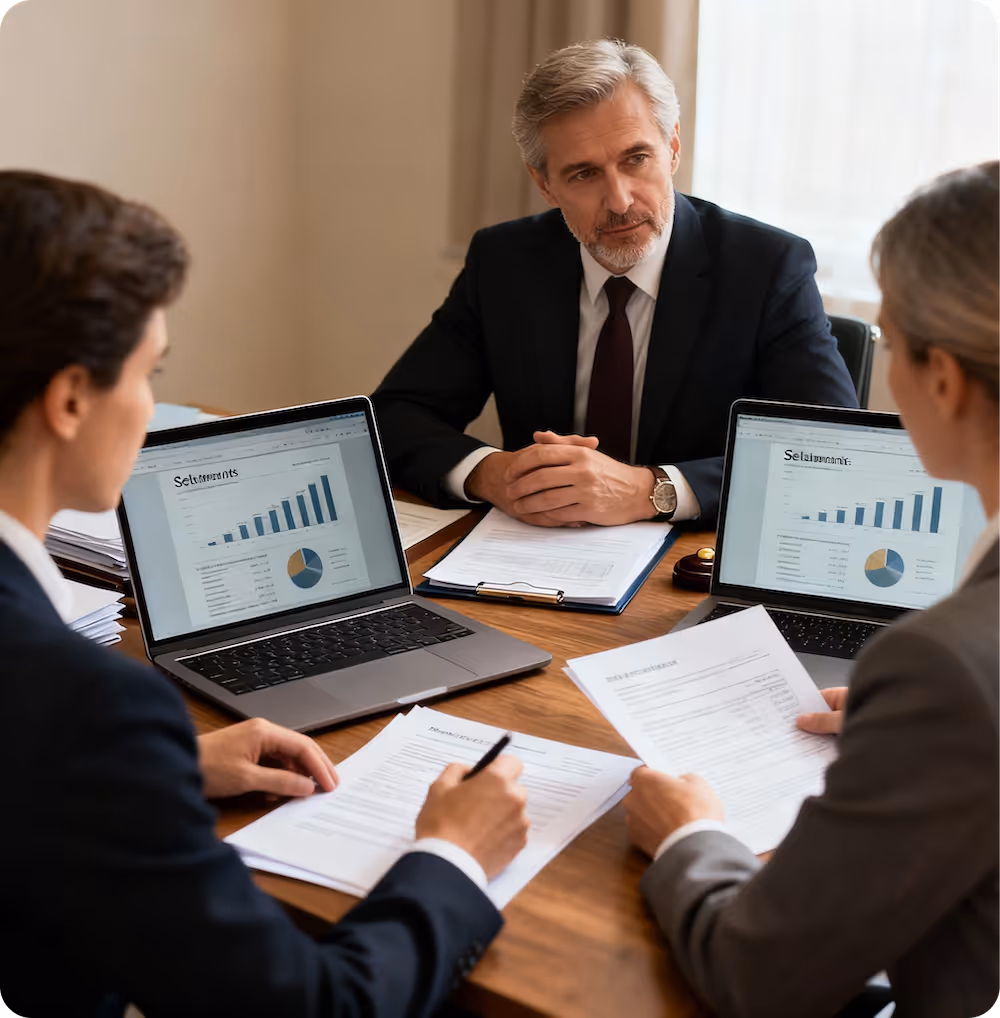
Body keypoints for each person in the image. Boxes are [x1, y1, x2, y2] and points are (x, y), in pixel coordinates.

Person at [0, 170, 530, 1018]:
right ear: (69, 398)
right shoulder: (90, 708)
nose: (150, 405)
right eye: (149, 373)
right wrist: (454, 856)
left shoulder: (89, 729)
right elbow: (317, 1006)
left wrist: (162, 773)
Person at [623, 161, 1000, 1018]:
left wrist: (689, 831)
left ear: (941, 377)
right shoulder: (949, 678)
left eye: (892, 343)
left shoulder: (947, 665)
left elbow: (760, 974)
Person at [371, 39, 858, 527]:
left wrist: (653, 490)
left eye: (635, 159)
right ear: (544, 184)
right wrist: (491, 473)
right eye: (584, 173)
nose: (620, 200)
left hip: (691, 563)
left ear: (671, 148)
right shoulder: (505, 263)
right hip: (534, 561)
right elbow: (395, 417)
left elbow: (831, 450)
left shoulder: (767, 265)